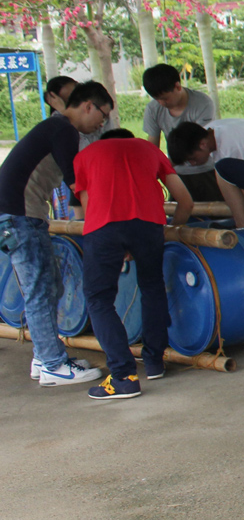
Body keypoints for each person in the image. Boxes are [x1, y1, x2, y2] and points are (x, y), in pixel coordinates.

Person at [0, 81, 113, 387]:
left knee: (48, 285)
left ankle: (45, 356)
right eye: (102, 115)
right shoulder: (63, 129)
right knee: (40, 289)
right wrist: (99, 225)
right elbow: (77, 182)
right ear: (88, 105)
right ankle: (52, 364)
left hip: (20, 214)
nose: (101, 123)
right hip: (18, 215)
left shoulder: (57, 128)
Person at [71, 128, 192, 399]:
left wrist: (115, 243)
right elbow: (185, 200)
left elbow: (89, 209)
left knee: (99, 298)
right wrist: (169, 231)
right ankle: (154, 362)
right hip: (149, 225)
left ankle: (123, 376)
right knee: (152, 286)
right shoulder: (150, 149)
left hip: (104, 228)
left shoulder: (85, 156)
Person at [141, 64, 222, 202]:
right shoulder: (153, 109)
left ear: (178, 86)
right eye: (156, 99)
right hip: (176, 173)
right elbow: (152, 146)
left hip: (206, 170)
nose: (161, 103)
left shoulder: (202, 103)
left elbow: (195, 144)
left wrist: (166, 165)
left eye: (165, 98)